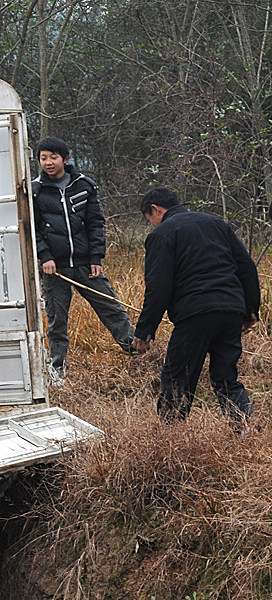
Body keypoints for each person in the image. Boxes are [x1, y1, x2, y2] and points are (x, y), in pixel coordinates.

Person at [132, 187, 260, 428]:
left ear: (155, 210)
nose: (152, 225)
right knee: (226, 379)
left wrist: (144, 330)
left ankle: (170, 439)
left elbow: (158, 288)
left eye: (150, 220)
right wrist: (250, 311)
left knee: (178, 378)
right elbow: (246, 267)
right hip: (230, 310)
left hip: (195, 315)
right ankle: (247, 430)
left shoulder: (162, 234)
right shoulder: (216, 224)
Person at [32, 136, 135, 378]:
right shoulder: (35, 190)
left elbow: (96, 224)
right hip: (54, 269)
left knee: (112, 309)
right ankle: (58, 371)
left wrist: (96, 258)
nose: (48, 162)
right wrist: (44, 256)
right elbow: (33, 229)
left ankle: (138, 353)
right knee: (57, 321)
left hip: (86, 265)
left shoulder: (84, 185)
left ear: (65, 159)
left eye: (53, 157)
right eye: (43, 158)